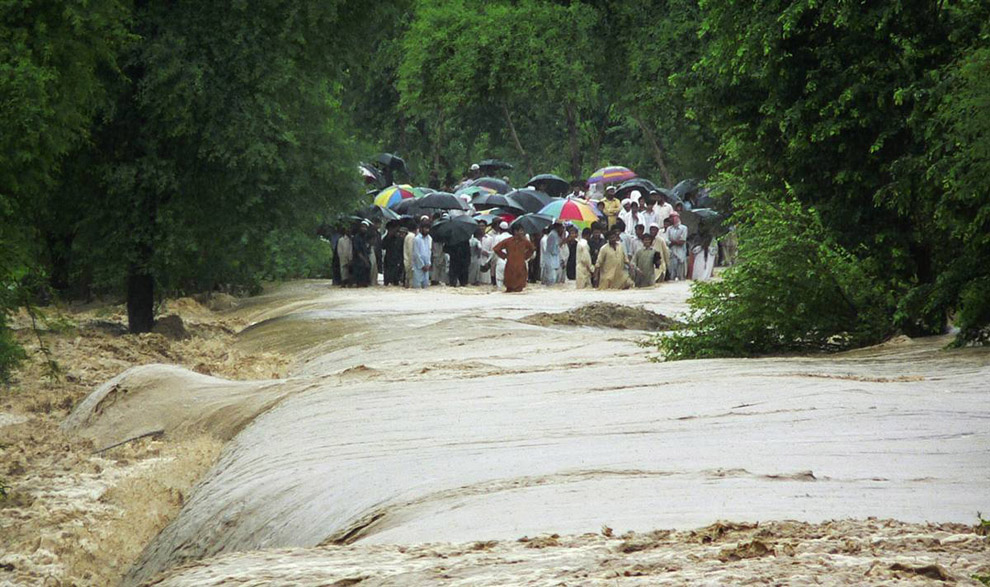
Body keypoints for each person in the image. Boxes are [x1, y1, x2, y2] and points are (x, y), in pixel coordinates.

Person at [493, 224, 536, 293]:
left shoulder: (525, 241)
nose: (522, 232)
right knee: (509, 287)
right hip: (511, 265)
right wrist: (504, 256)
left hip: (520, 265)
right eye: (521, 231)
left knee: (519, 287)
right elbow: (496, 249)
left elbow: (532, 249)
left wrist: (525, 257)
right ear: (515, 231)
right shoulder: (508, 241)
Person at [666, 212, 688, 280]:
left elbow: (682, 241)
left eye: (671, 217)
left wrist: (673, 242)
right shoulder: (669, 229)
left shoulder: (684, 228)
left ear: (676, 217)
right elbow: (667, 241)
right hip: (672, 253)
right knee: (671, 275)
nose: (670, 219)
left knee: (681, 276)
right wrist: (675, 241)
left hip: (681, 253)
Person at [382, 221, 405, 286]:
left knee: (396, 281)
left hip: (397, 262)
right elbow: (383, 246)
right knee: (387, 281)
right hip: (388, 261)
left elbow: (401, 251)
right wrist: (388, 236)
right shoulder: (386, 238)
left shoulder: (400, 239)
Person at [411, 221, 432, 289]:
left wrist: (428, 264)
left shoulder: (429, 238)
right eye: (425, 228)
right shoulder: (417, 239)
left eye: (428, 228)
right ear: (421, 228)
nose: (427, 230)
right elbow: (416, 254)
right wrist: (422, 265)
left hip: (427, 267)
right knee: (417, 287)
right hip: (418, 267)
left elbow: (429, 252)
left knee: (426, 287)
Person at [493, 221, 512, 288]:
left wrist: (488, 263)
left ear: (499, 229)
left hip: (501, 261)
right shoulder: (512, 237)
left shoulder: (498, 237)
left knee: (500, 282)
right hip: (511, 262)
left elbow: (494, 250)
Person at [403, 222, 417, 288]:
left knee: (408, 279)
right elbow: (411, 251)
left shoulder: (408, 236)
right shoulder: (412, 237)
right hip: (409, 261)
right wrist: (412, 263)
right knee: (411, 282)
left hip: (406, 260)